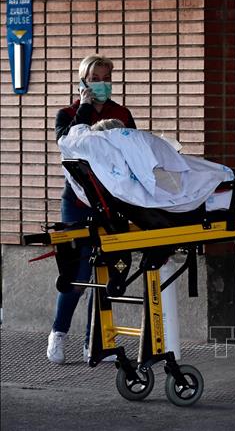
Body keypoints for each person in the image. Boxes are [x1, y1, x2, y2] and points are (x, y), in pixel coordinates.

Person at [47, 54, 136, 365]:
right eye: (95, 79)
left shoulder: (121, 113)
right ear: (83, 81)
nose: (102, 84)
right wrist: (85, 107)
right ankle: (59, 333)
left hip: (110, 202)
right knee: (79, 272)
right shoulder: (67, 113)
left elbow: (133, 151)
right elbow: (69, 142)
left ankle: (95, 341)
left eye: (106, 78)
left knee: (107, 272)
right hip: (77, 201)